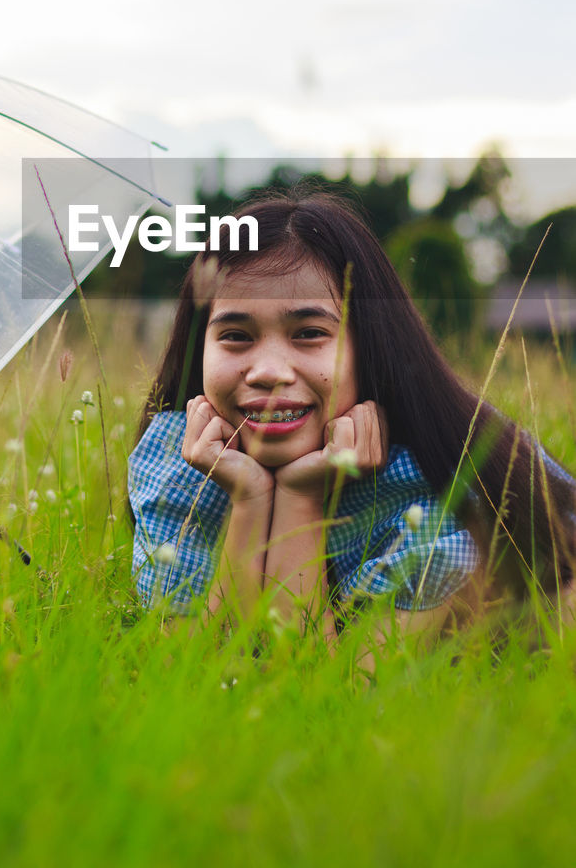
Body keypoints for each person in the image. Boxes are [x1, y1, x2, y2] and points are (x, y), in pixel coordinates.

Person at [128, 189, 576, 643]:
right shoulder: (180, 466)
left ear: (372, 347)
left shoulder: (434, 495)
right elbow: (192, 672)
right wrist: (251, 500)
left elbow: (323, 692)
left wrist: (300, 498)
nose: (269, 372)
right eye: (236, 335)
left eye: (309, 333)